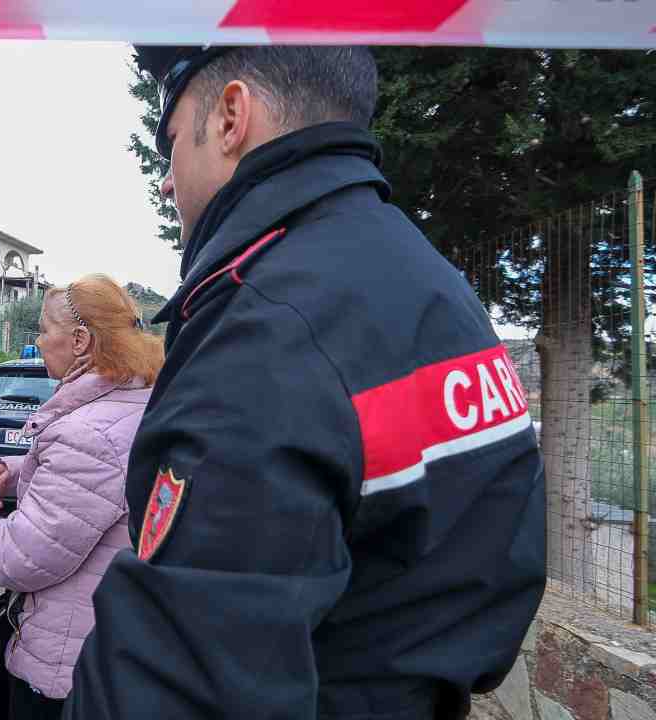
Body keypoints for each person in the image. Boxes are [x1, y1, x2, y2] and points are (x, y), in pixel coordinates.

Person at [66, 46, 547, 720]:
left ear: (233, 115)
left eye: (170, 141)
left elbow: (182, 685)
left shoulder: (268, 324)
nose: (168, 182)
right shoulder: (428, 279)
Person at [0, 274, 162, 720]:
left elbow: (19, 558)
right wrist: (26, 467)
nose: (40, 341)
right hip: (115, 653)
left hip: (63, 671)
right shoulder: (143, 402)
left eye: (44, 330)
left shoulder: (85, 433)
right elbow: (106, 477)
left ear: (80, 339)